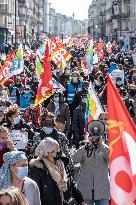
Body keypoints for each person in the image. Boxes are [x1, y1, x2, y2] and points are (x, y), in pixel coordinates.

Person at [30, 137, 86, 205]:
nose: (59, 151)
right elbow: (34, 194)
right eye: (57, 149)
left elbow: (71, 184)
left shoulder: (62, 163)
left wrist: (81, 201)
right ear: (49, 152)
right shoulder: (38, 169)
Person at [71, 137, 110, 205]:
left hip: (102, 189)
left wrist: (101, 146)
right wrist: (85, 147)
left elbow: (112, 159)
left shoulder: (105, 148)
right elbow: (73, 159)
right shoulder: (84, 147)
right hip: (85, 189)